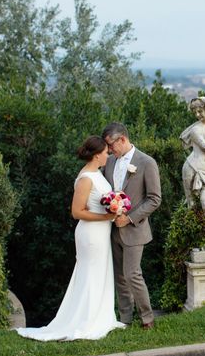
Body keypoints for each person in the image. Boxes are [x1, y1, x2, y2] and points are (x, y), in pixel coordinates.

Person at [16, 136, 126, 341]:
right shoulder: (86, 178)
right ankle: (86, 320)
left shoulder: (98, 174)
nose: (107, 155)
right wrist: (107, 216)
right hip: (90, 234)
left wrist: (116, 204)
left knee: (101, 273)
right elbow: (76, 212)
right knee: (90, 274)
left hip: (101, 232)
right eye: (104, 152)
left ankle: (101, 316)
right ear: (96, 155)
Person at [102, 123, 161, 329]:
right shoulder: (109, 162)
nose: (109, 150)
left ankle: (147, 318)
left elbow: (154, 199)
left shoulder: (146, 162)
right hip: (112, 229)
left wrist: (129, 218)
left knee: (132, 274)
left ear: (123, 140)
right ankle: (125, 319)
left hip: (135, 229)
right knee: (119, 276)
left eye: (111, 145)